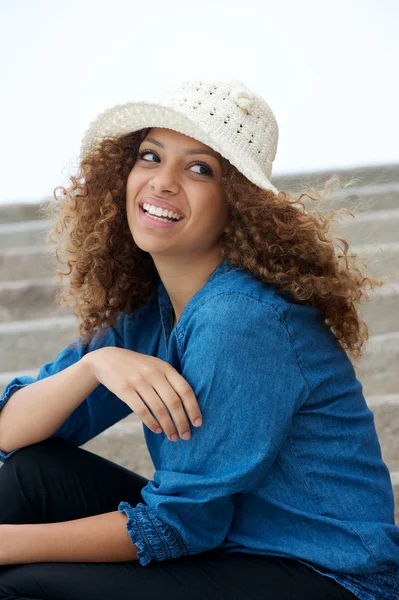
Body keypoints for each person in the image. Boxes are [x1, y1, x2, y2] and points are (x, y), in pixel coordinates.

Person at [0, 78, 397, 600]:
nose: (162, 182)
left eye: (198, 168)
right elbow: (11, 435)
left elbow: (181, 526)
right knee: (35, 474)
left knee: (26, 587)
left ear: (238, 203)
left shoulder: (241, 319)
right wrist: (95, 366)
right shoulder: (152, 309)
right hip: (234, 545)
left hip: (328, 575)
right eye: (149, 156)